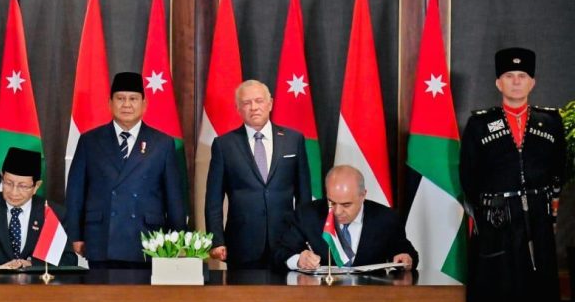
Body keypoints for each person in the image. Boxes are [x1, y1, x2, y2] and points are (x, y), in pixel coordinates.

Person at [460, 47, 565, 302]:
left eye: (522, 76)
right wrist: (485, 210)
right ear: (498, 82)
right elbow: (468, 174)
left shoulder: (550, 122)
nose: (516, 82)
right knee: (500, 293)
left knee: (533, 294)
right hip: (497, 219)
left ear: (532, 82)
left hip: (535, 217)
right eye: (509, 76)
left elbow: (559, 170)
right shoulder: (479, 124)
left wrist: (548, 209)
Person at [65, 71, 186, 268]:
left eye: (133, 99)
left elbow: (174, 197)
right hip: (101, 239)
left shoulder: (162, 143)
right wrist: (75, 235)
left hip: (148, 240)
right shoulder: (90, 141)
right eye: (120, 98)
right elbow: (75, 192)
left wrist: (178, 238)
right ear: (110, 103)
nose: (126, 105)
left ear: (144, 104)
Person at [205, 79, 312, 269]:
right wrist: (216, 240)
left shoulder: (293, 140)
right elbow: (213, 199)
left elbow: (304, 195)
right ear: (238, 109)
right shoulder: (224, 145)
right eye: (247, 103)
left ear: (270, 104)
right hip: (242, 244)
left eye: (259, 101)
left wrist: (305, 236)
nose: (254, 107)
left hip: (287, 243)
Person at [273, 165, 418, 272]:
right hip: (319, 297)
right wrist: (298, 260)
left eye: (346, 204)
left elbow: (407, 252)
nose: (337, 211)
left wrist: (405, 258)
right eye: (331, 202)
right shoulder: (307, 215)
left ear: (363, 195)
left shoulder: (385, 218)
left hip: (371, 297)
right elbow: (280, 252)